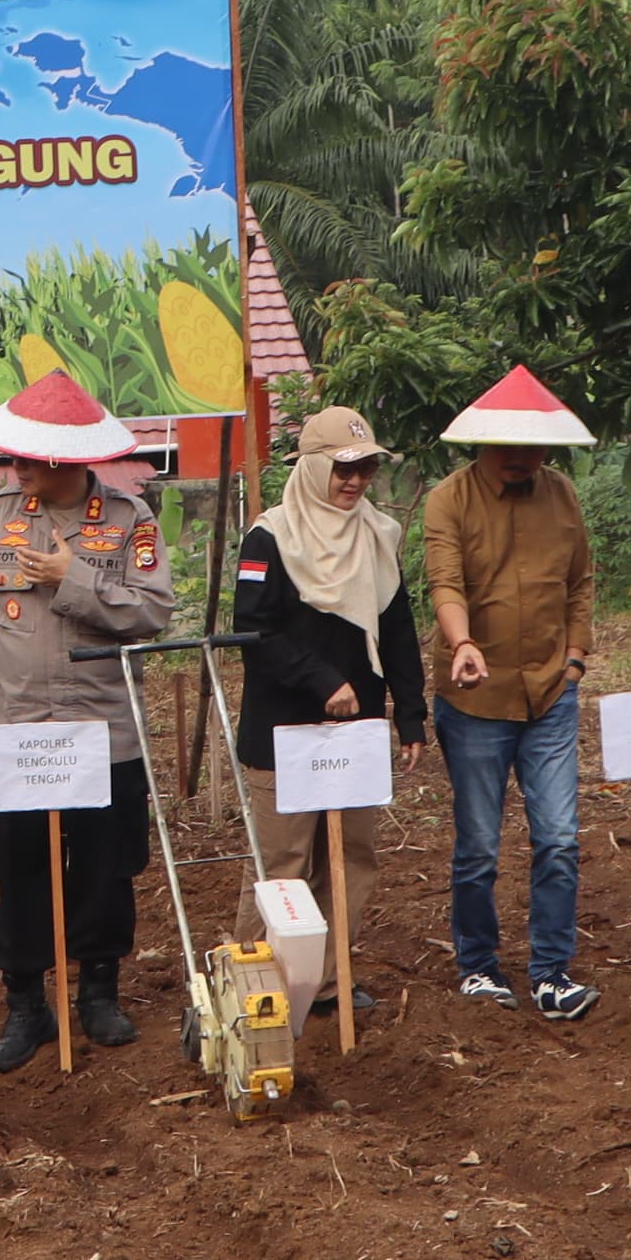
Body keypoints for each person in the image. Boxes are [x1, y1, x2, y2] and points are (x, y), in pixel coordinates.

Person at [0, 371, 177, 1071]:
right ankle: (25, 1003)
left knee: (106, 869)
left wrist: (72, 580)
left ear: (62, 462)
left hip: (103, 731)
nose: (15, 469)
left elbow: (152, 612)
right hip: (23, 729)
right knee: (20, 871)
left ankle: (98, 992)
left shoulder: (130, 518)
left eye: (24, 459)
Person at [231, 402, 428, 1008]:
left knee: (350, 857)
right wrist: (320, 680)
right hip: (283, 730)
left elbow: (396, 627)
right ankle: (255, 984)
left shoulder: (376, 534)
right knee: (284, 859)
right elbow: (253, 631)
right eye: (342, 469)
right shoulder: (270, 536)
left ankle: (326, 979)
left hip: (356, 729)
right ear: (312, 467)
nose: (354, 482)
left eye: (366, 469)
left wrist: (411, 713)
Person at [418, 368, 599, 1020]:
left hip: (551, 690)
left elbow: (581, 580)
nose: (523, 456)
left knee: (558, 838)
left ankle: (552, 970)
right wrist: (462, 642)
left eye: (535, 444)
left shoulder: (563, 496)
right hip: (475, 699)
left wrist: (576, 657)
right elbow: (445, 582)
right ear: (485, 441)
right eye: (509, 443)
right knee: (479, 844)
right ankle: (479, 964)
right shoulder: (449, 499)